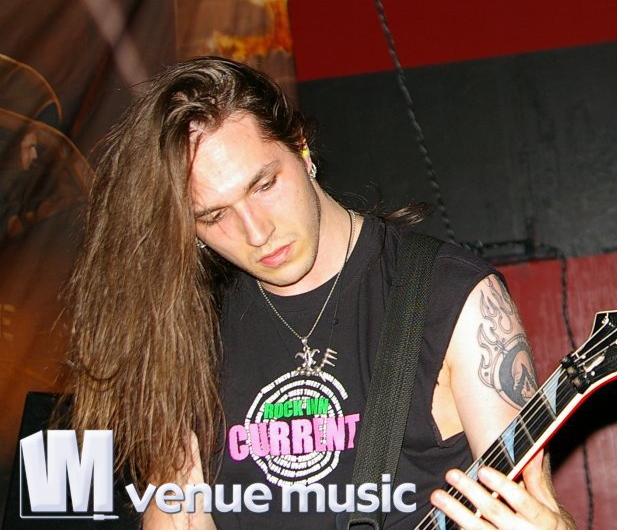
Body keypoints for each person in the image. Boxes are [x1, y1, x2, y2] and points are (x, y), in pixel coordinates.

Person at [66, 57, 574, 529]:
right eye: (215, 216)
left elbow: (535, 509)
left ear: (301, 148)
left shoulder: (450, 296)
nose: (256, 232)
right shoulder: (189, 330)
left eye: (263, 185)